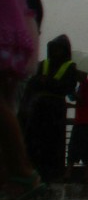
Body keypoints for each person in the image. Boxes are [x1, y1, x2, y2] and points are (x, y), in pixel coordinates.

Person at [0, 0, 46, 200]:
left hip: (3, 18)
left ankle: (22, 173)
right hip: (14, 19)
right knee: (5, 100)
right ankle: (12, 177)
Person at [22, 33, 77, 182]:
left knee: (54, 143)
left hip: (56, 109)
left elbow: (68, 87)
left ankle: (53, 174)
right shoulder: (43, 64)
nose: (56, 52)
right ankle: (37, 172)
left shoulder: (70, 67)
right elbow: (32, 84)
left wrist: (48, 83)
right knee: (36, 142)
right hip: (40, 108)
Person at [64, 71, 88, 183]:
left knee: (76, 147)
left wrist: (74, 94)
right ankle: (85, 175)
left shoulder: (87, 85)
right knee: (84, 147)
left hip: (84, 122)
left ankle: (73, 174)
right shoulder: (85, 85)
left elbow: (83, 102)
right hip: (84, 121)